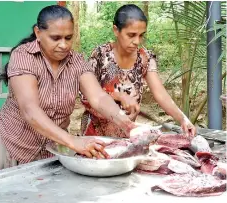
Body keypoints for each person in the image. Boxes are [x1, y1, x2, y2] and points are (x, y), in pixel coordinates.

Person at [0, 5, 136, 171]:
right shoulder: (23, 56)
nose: (64, 45)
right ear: (38, 33)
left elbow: (98, 97)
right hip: (17, 143)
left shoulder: (76, 61)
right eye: (56, 38)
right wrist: (72, 141)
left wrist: (125, 123)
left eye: (68, 38)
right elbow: (29, 109)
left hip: (54, 145)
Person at [80, 4, 196, 138]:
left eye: (141, 35)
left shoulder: (144, 59)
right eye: (131, 35)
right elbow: (86, 93)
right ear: (116, 30)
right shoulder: (102, 56)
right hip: (95, 135)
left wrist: (182, 119)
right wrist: (118, 95)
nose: (137, 41)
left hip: (127, 135)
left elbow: (160, 93)